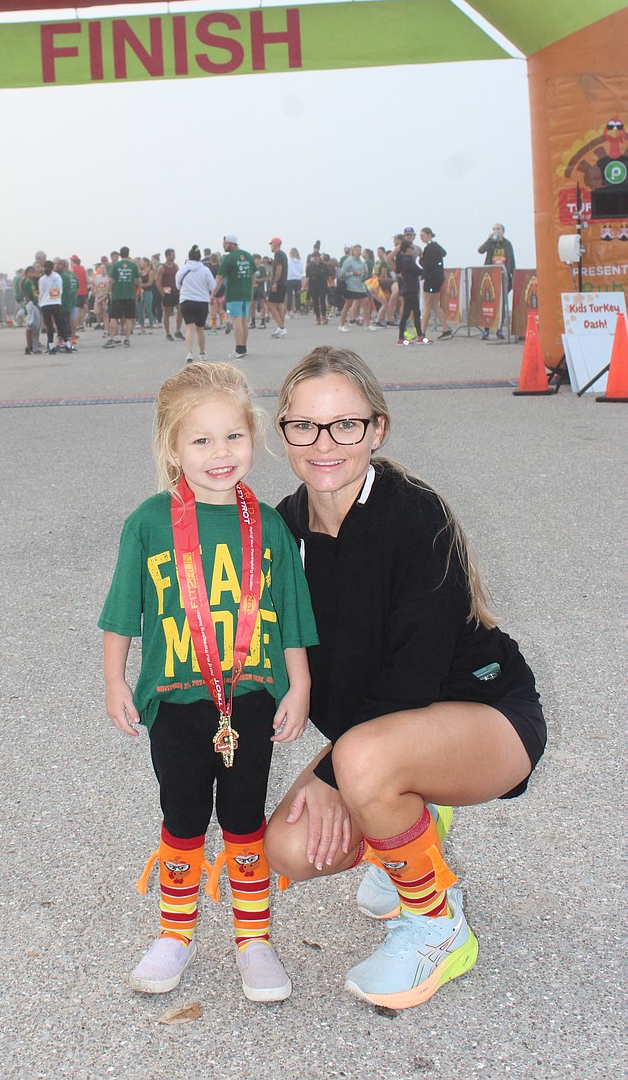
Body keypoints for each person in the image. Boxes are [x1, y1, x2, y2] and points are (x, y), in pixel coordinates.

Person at [265, 346, 546, 1010]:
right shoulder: (282, 531)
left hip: (486, 714)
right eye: (304, 425)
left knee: (362, 761)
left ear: (377, 428)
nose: (324, 443)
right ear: (283, 433)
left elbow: (415, 677)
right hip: (382, 733)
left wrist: (340, 777)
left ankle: (437, 926)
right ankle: (410, 816)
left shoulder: (415, 513)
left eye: (345, 424)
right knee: (287, 847)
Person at [98, 361, 316, 1001]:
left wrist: (297, 686)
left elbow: (293, 615)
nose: (221, 454)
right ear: (172, 448)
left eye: (234, 437)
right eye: (201, 440)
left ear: (254, 438)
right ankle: (174, 933)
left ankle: (254, 940)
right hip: (175, 702)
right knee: (183, 814)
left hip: (248, 698)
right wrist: (115, 681)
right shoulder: (147, 522)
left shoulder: (270, 526)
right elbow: (121, 613)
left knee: (245, 815)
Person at [213, 233, 254, 359]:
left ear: (231, 244)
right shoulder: (247, 256)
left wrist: (212, 293)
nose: (223, 245)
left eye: (225, 243)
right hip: (246, 293)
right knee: (243, 320)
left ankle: (239, 348)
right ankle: (244, 347)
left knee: (235, 319)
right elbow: (253, 274)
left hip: (233, 294)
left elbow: (220, 278)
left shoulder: (228, 258)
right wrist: (251, 288)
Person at [176, 246, 215, 363]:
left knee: (189, 328)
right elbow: (212, 286)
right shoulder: (205, 270)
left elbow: (178, 285)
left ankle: (189, 353)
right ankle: (202, 353)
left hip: (186, 301)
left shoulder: (182, 270)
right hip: (202, 301)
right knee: (200, 329)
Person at [478, 224, 516, 340]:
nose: (496, 231)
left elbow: (511, 261)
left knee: (502, 304)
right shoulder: (491, 243)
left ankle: (499, 329)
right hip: (490, 277)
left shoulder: (507, 244)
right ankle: (486, 329)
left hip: (503, 277)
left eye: (498, 229)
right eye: (494, 229)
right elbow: (480, 250)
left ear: (503, 231)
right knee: (489, 302)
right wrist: (489, 240)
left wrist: (512, 276)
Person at [418, 228, 452, 339]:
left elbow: (427, 265)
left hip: (431, 279)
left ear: (429, 235)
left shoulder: (430, 248)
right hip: (438, 278)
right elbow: (444, 253)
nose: (421, 238)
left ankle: (422, 332)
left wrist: (420, 258)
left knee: (427, 305)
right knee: (434, 305)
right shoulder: (436, 247)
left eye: (422, 235)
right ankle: (446, 329)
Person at [104, 246, 140, 349]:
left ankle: (112, 339)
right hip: (130, 295)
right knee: (129, 318)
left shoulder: (115, 266)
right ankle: (127, 339)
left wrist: (109, 292)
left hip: (117, 295)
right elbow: (138, 280)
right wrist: (139, 292)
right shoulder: (133, 266)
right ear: (128, 253)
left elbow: (110, 280)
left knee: (114, 317)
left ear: (120, 254)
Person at [396, 241, 431, 346]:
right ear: (407, 249)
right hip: (409, 290)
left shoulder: (405, 260)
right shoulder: (407, 261)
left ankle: (420, 337)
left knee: (416, 313)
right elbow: (418, 271)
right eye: (412, 248)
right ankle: (401, 338)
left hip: (410, 289)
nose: (413, 250)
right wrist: (427, 269)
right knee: (407, 314)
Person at [267, 238, 288, 337]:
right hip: (284, 282)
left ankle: (281, 327)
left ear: (276, 244)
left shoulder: (278, 254)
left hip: (279, 283)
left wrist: (275, 282)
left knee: (271, 305)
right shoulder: (283, 254)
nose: (270, 246)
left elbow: (279, 268)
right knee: (280, 305)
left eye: (271, 244)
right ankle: (281, 327)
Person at [305, 250, 329, 325]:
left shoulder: (324, 266)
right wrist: (305, 286)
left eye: (317, 257)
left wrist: (329, 284)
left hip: (322, 285)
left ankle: (324, 317)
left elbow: (327, 276)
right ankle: (318, 317)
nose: (316, 258)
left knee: (322, 301)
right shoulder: (310, 266)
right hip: (313, 285)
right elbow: (307, 277)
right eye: (314, 257)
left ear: (319, 257)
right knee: (315, 302)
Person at [286, 248, 304, 316]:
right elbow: (301, 271)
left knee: (289, 296)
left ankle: (288, 311)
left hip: (290, 279)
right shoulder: (300, 261)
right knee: (297, 296)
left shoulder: (288, 261)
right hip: (297, 279)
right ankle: (297, 311)